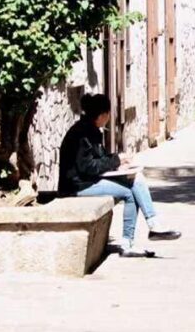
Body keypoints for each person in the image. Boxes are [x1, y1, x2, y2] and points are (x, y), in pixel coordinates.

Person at [58, 93, 181, 258]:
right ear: (103, 115)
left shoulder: (90, 129)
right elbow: (88, 167)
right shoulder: (82, 134)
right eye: (108, 114)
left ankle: (153, 225)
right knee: (129, 193)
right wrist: (116, 160)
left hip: (87, 180)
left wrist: (119, 162)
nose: (109, 118)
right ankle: (127, 244)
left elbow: (98, 159)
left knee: (136, 179)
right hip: (77, 186)